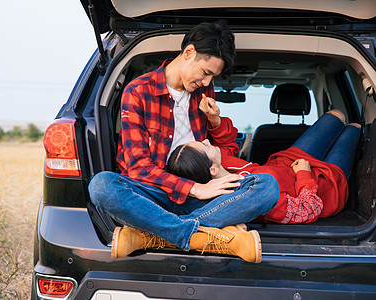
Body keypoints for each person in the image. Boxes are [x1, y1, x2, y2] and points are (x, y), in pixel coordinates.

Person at [89, 21, 280, 264]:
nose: (208, 82)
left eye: (213, 77)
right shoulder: (137, 92)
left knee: (267, 186)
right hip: (153, 196)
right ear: (189, 53)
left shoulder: (203, 94)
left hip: (202, 196)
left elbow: (222, 152)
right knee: (101, 186)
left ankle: (154, 234)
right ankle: (204, 234)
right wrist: (195, 189)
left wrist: (214, 121)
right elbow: (137, 167)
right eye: (206, 72)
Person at [167, 109, 361, 224]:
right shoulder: (252, 197)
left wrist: (215, 120)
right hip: (323, 187)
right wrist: (303, 174)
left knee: (336, 115)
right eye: (205, 147)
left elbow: (227, 145)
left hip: (289, 161)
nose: (209, 142)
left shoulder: (220, 164)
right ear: (212, 170)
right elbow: (308, 209)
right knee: (354, 128)